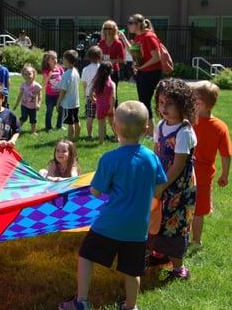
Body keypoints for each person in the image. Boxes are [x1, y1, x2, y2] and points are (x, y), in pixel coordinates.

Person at [58, 101, 167, 310]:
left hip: (109, 224)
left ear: (115, 127)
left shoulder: (110, 159)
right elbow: (159, 189)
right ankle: (131, 306)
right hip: (137, 227)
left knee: (86, 255)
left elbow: (96, 190)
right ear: (146, 129)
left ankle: (81, 301)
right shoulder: (152, 158)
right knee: (132, 270)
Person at [147, 78, 198, 280]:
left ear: (182, 104)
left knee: (174, 225)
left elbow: (177, 166)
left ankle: (179, 269)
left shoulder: (184, 132)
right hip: (161, 182)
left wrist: (162, 186)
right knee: (157, 218)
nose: (164, 108)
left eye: (169, 103)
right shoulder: (160, 126)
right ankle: (159, 254)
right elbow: (156, 152)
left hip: (178, 188)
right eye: (160, 103)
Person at [190, 81, 232, 249]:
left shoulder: (188, 121)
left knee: (186, 206)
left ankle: (185, 238)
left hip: (185, 172)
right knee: (199, 211)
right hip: (204, 176)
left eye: (192, 98)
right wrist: (225, 175)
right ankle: (196, 241)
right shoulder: (220, 127)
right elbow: (226, 155)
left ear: (200, 103)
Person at [128, 14, 162, 137]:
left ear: (138, 24)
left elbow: (157, 57)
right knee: (143, 101)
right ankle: (149, 132)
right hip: (143, 72)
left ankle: (151, 133)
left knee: (145, 101)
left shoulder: (149, 36)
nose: (129, 25)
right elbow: (136, 54)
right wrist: (135, 64)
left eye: (131, 23)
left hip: (151, 72)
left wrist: (142, 67)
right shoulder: (138, 37)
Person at [98, 20, 126, 108]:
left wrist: (110, 61)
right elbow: (99, 57)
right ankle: (103, 109)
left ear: (114, 30)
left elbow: (122, 59)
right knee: (102, 91)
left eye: (110, 28)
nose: (107, 31)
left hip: (113, 71)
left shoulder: (118, 43)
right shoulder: (101, 43)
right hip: (102, 70)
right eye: (105, 28)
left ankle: (114, 110)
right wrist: (100, 60)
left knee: (113, 92)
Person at [57, 50, 81, 142]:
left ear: (67, 60)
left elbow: (63, 91)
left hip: (68, 103)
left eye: (63, 58)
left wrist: (58, 102)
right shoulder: (76, 71)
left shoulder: (66, 74)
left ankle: (69, 139)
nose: (62, 60)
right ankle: (76, 137)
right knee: (76, 120)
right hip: (76, 102)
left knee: (70, 123)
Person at [91, 62, 117, 143]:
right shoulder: (112, 84)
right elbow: (113, 97)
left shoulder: (97, 82)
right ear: (111, 71)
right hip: (109, 106)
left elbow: (90, 93)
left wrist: (93, 100)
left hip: (100, 107)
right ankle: (117, 137)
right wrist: (111, 107)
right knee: (113, 124)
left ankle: (101, 141)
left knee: (101, 125)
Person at [12, 64, 41, 135]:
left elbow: (40, 96)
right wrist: (16, 104)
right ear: (23, 75)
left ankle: (33, 131)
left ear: (34, 74)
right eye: (25, 74)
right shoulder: (23, 85)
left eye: (29, 74)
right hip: (24, 105)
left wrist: (38, 104)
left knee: (33, 119)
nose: (27, 76)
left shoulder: (37, 86)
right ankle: (17, 128)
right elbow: (20, 95)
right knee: (23, 117)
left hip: (33, 106)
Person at [80, 46, 102, 140]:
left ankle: (89, 135)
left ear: (88, 56)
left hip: (90, 95)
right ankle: (102, 135)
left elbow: (84, 83)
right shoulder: (102, 68)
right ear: (100, 56)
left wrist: (85, 93)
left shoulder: (85, 69)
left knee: (90, 116)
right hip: (101, 95)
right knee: (101, 117)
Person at [41, 51, 64, 131]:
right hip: (50, 95)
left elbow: (63, 78)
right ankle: (48, 127)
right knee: (49, 111)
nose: (55, 60)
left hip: (59, 95)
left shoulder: (59, 69)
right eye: (52, 58)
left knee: (61, 110)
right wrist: (49, 76)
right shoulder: (46, 71)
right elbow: (44, 84)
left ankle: (59, 126)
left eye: (56, 58)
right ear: (48, 61)